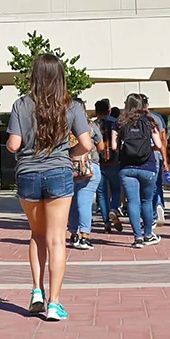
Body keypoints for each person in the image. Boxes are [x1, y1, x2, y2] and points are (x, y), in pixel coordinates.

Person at [7, 54, 91, 321]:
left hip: (28, 173)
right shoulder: (73, 106)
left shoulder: (21, 105)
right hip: (59, 172)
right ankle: (54, 303)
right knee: (57, 238)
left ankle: (36, 291)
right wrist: (71, 153)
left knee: (37, 234)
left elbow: (13, 144)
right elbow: (87, 145)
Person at [115, 94, 170, 248]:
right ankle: (148, 235)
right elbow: (159, 144)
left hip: (126, 167)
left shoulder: (120, 122)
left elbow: (114, 146)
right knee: (147, 201)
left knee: (133, 202)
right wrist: (147, 147)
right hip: (147, 166)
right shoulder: (149, 121)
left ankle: (137, 238)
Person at [68, 98, 102, 250]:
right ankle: (85, 236)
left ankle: (73, 234)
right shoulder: (91, 126)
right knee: (85, 202)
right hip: (90, 167)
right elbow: (101, 146)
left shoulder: (65, 125)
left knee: (72, 204)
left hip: (69, 168)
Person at [92, 99, 121, 234]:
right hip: (114, 162)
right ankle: (114, 208)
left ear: (96, 111)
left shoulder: (93, 126)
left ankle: (106, 222)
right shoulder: (115, 123)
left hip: (98, 162)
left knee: (102, 194)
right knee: (116, 189)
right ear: (109, 110)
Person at [141, 94, 168, 226]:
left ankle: (150, 215)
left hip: (138, 159)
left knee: (143, 190)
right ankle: (159, 205)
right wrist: (165, 159)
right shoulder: (156, 118)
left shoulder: (130, 119)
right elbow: (163, 141)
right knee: (156, 185)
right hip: (155, 156)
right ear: (148, 105)